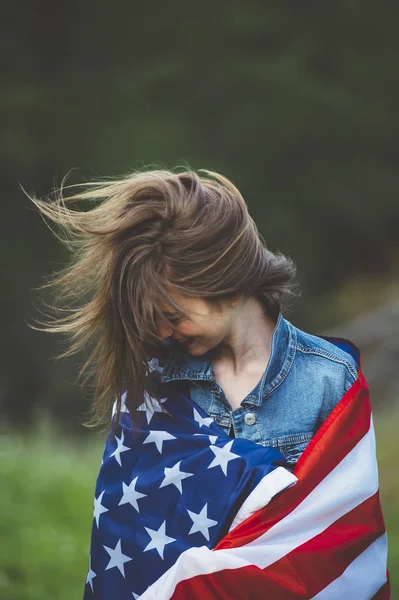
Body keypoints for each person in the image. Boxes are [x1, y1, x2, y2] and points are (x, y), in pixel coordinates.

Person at [27, 166, 358, 467]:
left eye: (172, 315)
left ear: (228, 282)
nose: (161, 333)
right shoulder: (150, 385)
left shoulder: (330, 378)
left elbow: (350, 518)